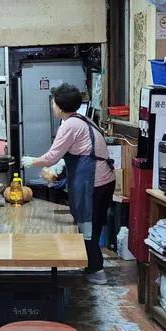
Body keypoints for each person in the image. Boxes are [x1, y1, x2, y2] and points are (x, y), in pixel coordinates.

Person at [22, 84, 115, 284]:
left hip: (92, 181)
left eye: (53, 102)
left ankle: (96, 271)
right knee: (93, 225)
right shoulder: (82, 119)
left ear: (60, 105)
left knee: (87, 225)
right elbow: (79, 151)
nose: (52, 105)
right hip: (104, 180)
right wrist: (58, 170)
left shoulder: (69, 125)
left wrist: (32, 161)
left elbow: (52, 156)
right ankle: (92, 265)